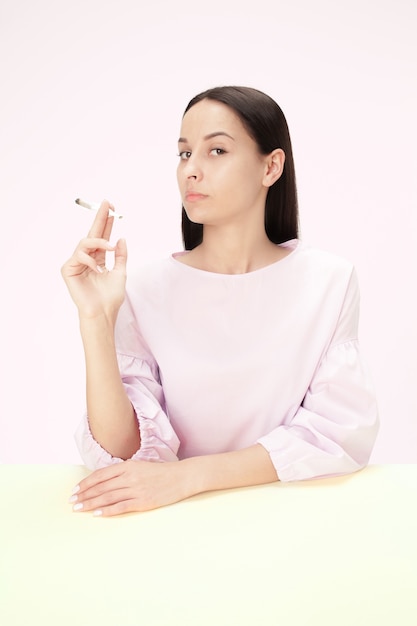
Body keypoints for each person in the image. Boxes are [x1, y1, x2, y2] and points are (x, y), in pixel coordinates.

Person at [61, 85, 379, 517]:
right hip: (172, 528)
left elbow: (335, 434)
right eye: (184, 153)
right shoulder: (143, 288)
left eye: (216, 151)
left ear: (271, 167)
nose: (191, 170)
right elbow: (122, 451)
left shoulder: (329, 282)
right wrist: (96, 320)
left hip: (291, 524)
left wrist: (189, 477)